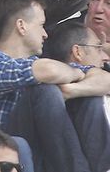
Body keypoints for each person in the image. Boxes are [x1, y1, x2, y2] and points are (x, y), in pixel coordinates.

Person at [0, 0, 105, 172]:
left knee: (89, 97)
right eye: (41, 25)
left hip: (42, 155)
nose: (45, 34)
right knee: (44, 91)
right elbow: (48, 70)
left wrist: (73, 91)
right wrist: (75, 75)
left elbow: (105, 79)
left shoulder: (46, 67)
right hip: (3, 155)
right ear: (21, 26)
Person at [41, 20, 110, 171]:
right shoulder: (74, 81)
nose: (104, 57)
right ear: (78, 52)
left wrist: (73, 90)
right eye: (98, 48)